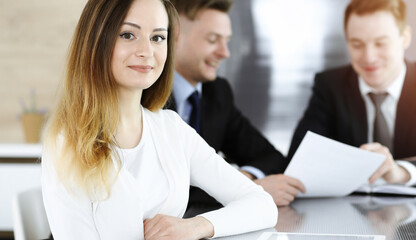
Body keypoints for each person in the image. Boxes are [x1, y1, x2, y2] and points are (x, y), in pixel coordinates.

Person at [41, 0, 278, 239]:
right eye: (127, 34)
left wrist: (194, 226)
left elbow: (262, 204)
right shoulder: (66, 143)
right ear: (96, 41)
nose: (147, 51)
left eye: (157, 38)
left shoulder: (171, 129)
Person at [166, 0, 305, 209]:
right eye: (213, 40)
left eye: (227, 41)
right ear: (173, 36)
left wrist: (244, 178)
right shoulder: (141, 95)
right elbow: (162, 187)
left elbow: (270, 157)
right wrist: (247, 190)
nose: (225, 53)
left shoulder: (217, 92)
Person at [288, 0, 416, 186]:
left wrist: (403, 172)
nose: (369, 57)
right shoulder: (330, 86)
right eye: (357, 45)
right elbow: (299, 157)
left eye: (380, 43)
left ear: (405, 38)